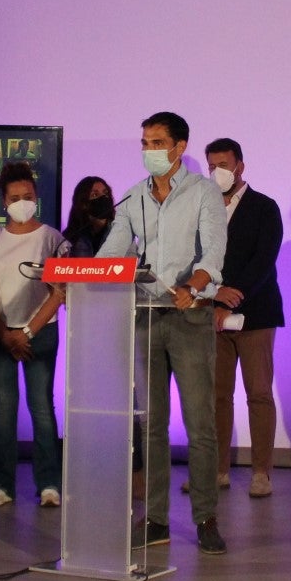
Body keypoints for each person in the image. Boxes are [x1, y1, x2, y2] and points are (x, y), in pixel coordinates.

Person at [97, 112, 229, 555]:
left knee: (200, 424)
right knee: (150, 425)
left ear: (180, 147)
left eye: (157, 142)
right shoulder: (133, 197)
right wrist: (83, 275)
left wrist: (195, 285)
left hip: (189, 316)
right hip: (146, 316)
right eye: (145, 143)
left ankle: (206, 518)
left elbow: (213, 251)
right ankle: (155, 520)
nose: (149, 150)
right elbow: (112, 253)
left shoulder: (204, 192)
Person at [0, 163, 68, 509]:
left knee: (41, 405)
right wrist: (5, 334)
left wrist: (27, 332)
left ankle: (49, 484)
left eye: (27, 196)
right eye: (14, 198)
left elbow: (58, 293)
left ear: (36, 197)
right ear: (4, 202)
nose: (21, 202)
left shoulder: (53, 239)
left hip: (41, 333)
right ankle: (1, 484)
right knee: (4, 408)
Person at [204, 138, 285, 499]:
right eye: (211, 166)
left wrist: (233, 297)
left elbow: (263, 260)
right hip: (212, 315)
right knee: (217, 396)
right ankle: (218, 470)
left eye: (223, 165)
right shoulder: (203, 208)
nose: (217, 172)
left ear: (240, 166)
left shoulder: (264, 207)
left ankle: (261, 472)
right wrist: (213, 298)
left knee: (259, 394)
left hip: (256, 313)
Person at [63, 176, 114, 258]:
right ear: (83, 204)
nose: (103, 197)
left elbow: (131, 262)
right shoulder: (70, 237)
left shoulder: (121, 231)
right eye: (95, 194)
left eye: (106, 193)